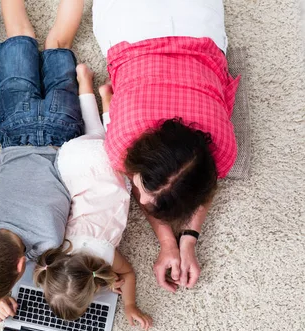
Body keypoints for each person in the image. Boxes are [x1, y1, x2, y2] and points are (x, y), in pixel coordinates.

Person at [92, 0, 241, 292]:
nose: (142, 202)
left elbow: (206, 183)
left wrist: (184, 240)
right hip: (130, 24)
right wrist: (172, 241)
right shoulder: (121, 142)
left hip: (196, 19)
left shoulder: (224, 148)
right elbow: (205, 184)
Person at [0, 64, 152, 330]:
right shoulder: (56, 248)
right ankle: (85, 82)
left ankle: (103, 95)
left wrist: (130, 305)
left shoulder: (105, 256)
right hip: (72, 160)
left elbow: (129, 274)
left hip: (106, 171)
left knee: (113, 140)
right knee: (93, 132)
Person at [0, 0, 84, 307]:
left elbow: (44, 271)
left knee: (58, 43)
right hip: (16, 128)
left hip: (60, 130)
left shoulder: (49, 243)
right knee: (19, 34)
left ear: (19, 266)